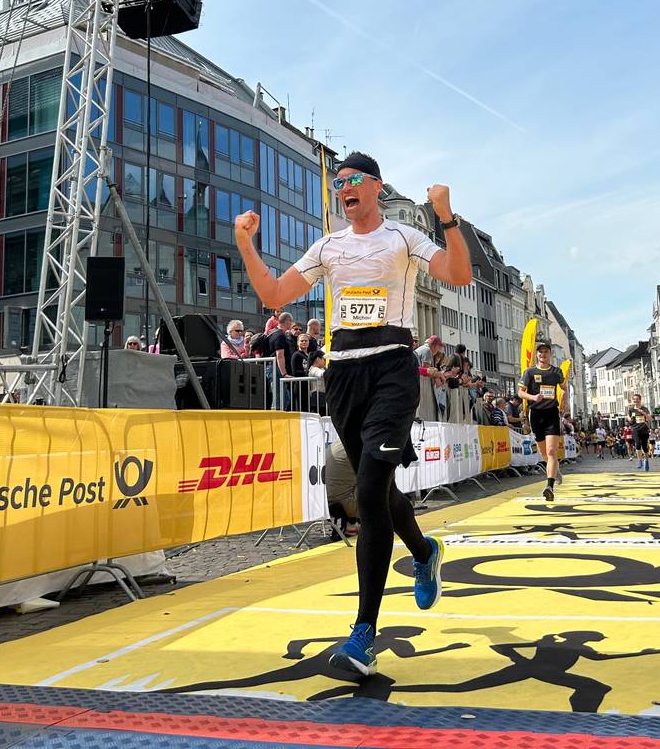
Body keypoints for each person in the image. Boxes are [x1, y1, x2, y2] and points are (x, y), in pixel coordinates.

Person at [233, 150, 472, 679]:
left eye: (355, 179)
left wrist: (446, 216)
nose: (345, 187)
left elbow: (458, 273)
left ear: (376, 187)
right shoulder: (329, 247)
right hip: (343, 375)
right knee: (377, 488)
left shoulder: (403, 237)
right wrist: (245, 243)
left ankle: (364, 634)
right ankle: (423, 551)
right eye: (339, 182)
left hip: (391, 368)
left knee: (366, 492)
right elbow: (274, 293)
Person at [520, 340, 565, 501]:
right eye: (540, 352)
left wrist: (565, 398)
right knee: (544, 453)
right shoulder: (530, 372)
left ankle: (549, 486)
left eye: (546, 352)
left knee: (551, 451)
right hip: (536, 414)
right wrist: (533, 397)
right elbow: (520, 392)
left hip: (551, 413)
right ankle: (555, 471)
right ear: (537, 354)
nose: (543, 354)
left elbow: (564, 387)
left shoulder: (556, 372)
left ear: (550, 354)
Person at [627, 393, 652, 471]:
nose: (635, 400)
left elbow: (650, 419)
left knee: (644, 446)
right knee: (637, 444)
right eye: (634, 399)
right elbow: (628, 417)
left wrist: (643, 413)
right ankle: (639, 461)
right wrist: (630, 419)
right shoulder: (631, 409)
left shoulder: (645, 409)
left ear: (640, 400)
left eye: (637, 399)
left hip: (644, 429)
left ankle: (646, 461)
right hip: (635, 429)